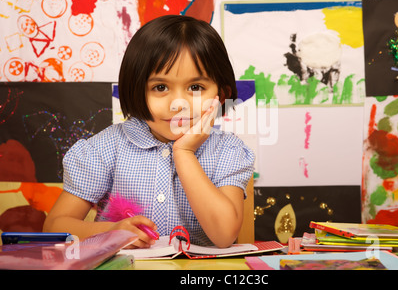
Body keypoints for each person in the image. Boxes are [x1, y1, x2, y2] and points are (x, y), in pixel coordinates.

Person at [44, 15, 255, 248]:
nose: (178, 104)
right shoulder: (106, 147)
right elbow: (54, 226)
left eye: (195, 87)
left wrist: (184, 153)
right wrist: (111, 231)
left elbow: (224, 235)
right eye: (160, 87)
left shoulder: (228, 150)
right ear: (136, 90)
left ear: (220, 96)